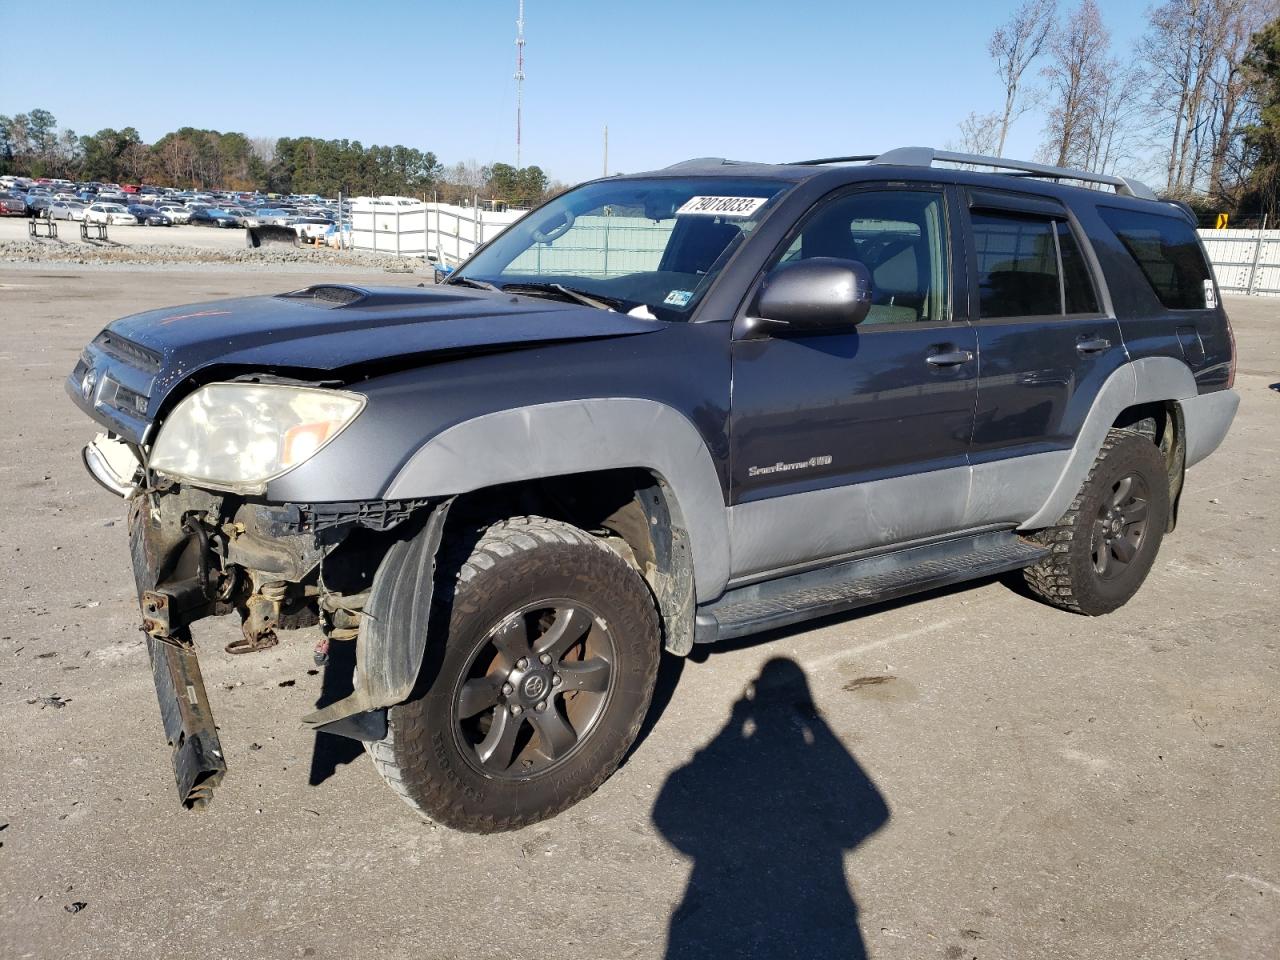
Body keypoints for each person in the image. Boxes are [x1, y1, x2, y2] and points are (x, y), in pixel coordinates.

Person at [653, 657, 890, 960]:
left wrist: (733, 725)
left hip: (719, 909)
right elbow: (874, 811)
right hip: (817, 906)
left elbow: (666, 806)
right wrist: (818, 726)